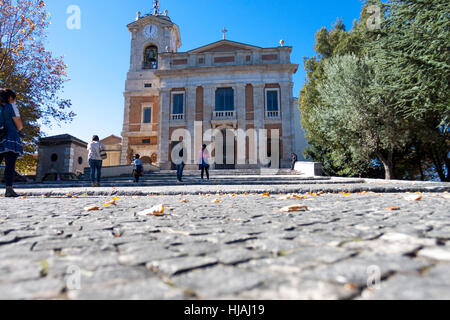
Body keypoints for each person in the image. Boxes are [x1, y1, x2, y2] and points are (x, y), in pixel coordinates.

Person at [0, 89, 23, 198]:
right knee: (10, 165)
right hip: (10, 137)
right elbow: (19, 126)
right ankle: (8, 189)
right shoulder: (11, 107)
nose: (14, 101)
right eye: (14, 99)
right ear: (10, 98)